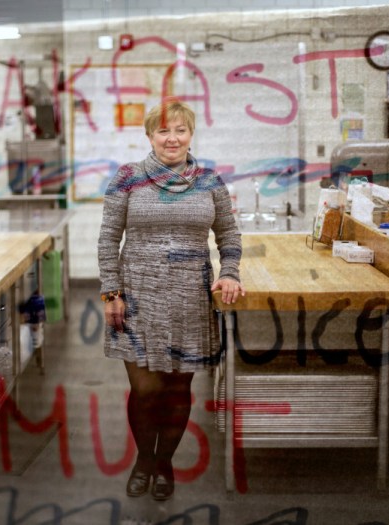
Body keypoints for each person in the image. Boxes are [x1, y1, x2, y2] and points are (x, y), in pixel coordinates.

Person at [98, 98, 244, 501]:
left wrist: (229, 272)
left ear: (190, 134)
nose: (172, 138)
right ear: (150, 135)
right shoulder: (128, 177)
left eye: (180, 130)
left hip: (189, 301)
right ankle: (144, 459)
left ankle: (165, 464)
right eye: (164, 130)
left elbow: (229, 236)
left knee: (178, 391)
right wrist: (112, 292)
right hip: (138, 299)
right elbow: (109, 238)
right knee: (145, 390)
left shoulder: (210, 181)